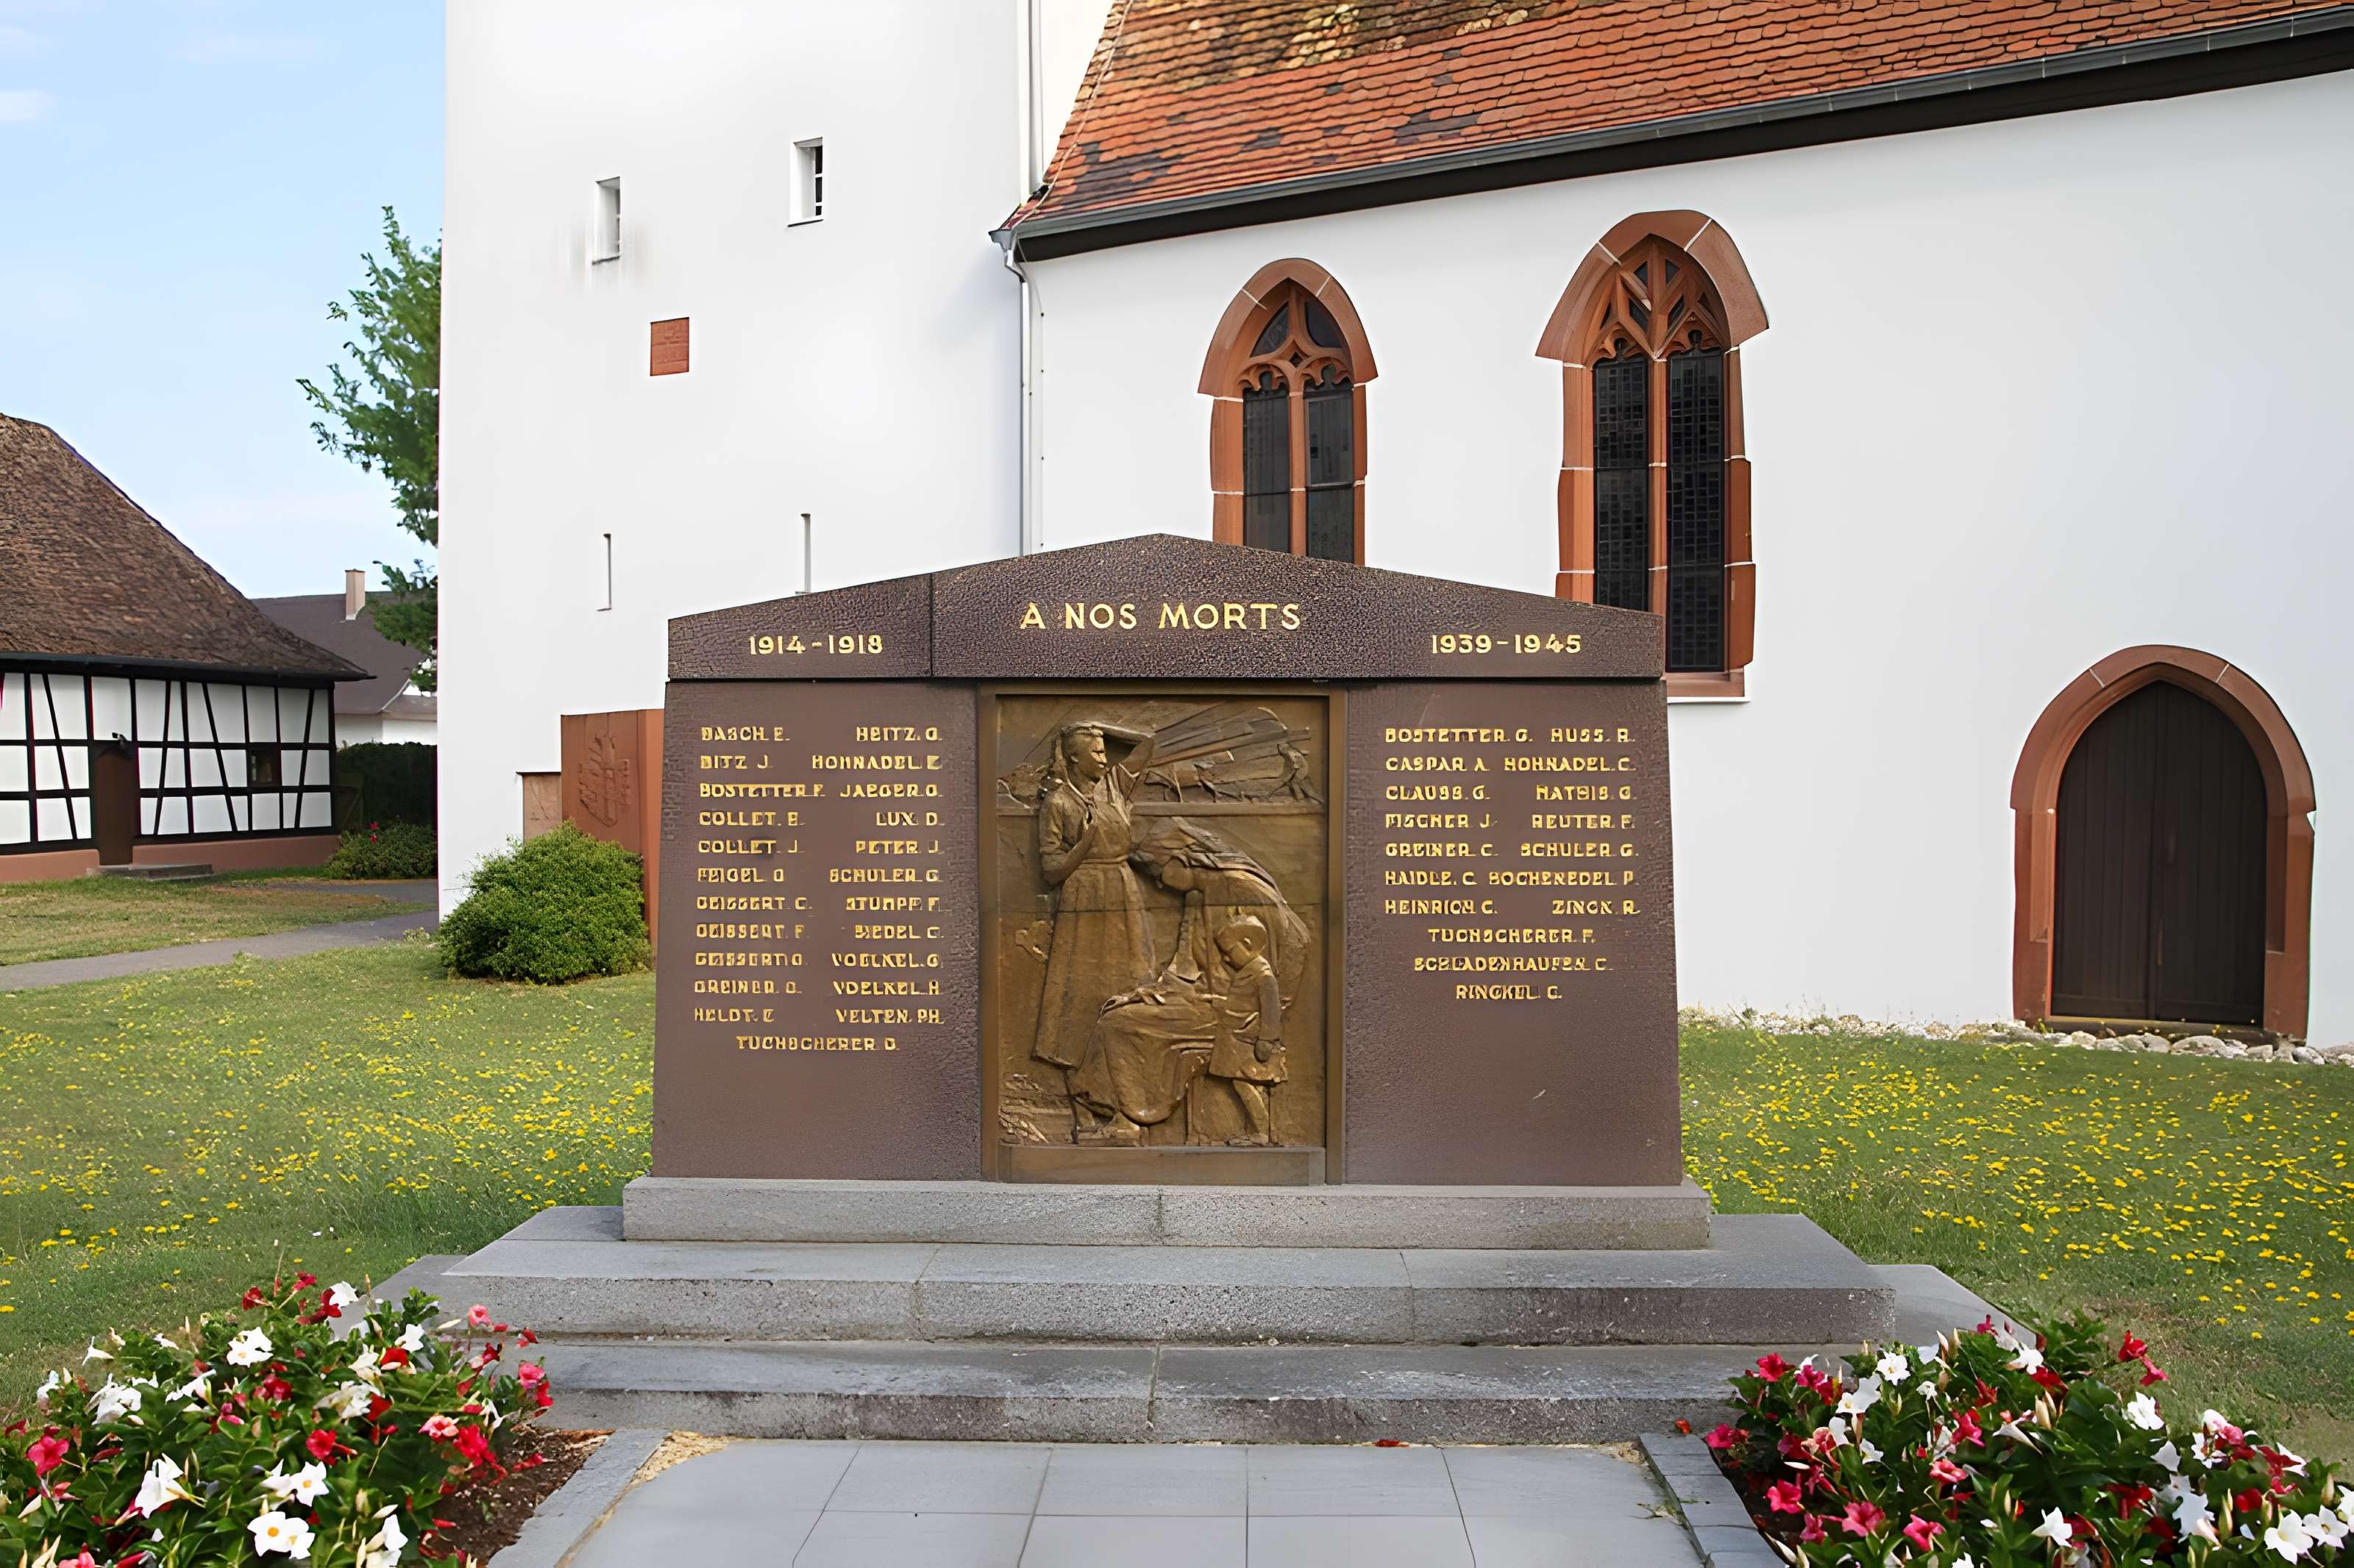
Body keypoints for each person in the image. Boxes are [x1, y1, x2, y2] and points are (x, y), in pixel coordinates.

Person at [1030, 721, 1157, 1137]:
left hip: (1123, 897)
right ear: (1073, 759)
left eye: (1105, 751)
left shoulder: (1116, 788)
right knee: (1077, 1002)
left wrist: (1093, 727)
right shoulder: (1058, 803)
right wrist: (1083, 847)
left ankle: (1129, 1108)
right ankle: (1083, 1110)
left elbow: (1146, 742)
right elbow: (1050, 870)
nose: (1104, 758)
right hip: (1084, 900)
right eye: (1096, 752)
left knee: (1129, 994)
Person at [1206, 915, 1284, 1147]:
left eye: (1229, 950)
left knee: (1244, 1084)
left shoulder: (1263, 974)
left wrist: (1267, 1040)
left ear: (1248, 945)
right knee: (1241, 1084)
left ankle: (1261, 1133)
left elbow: (1271, 1009)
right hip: (1235, 1038)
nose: (1225, 958)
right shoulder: (1248, 970)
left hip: (1247, 1042)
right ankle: (1259, 1132)